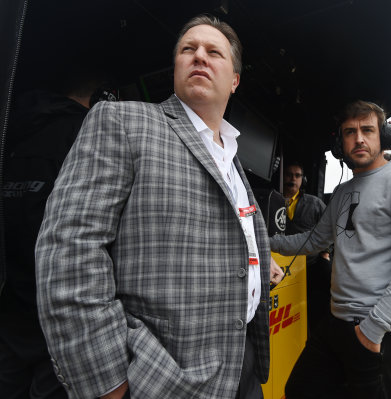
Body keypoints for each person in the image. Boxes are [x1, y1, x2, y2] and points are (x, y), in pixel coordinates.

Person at [35, 15, 283, 399]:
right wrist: (107, 383)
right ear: (176, 68)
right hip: (160, 378)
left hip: (244, 366)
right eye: (188, 49)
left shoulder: (233, 160)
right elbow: (69, 250)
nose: (199, 55)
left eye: (213, 52)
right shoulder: (123, 121)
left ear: (234, 80)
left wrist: (257, 258)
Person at [270, 100, 391, 399]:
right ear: (340, 144)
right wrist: (262, 241)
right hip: (337, 323)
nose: (359, 138)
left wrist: (372, 330)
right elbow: (313, 241)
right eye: (350, 132)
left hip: (383, 331)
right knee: (298, 390)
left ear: (382, 137)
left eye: (367, 130)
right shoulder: (343, 193)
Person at [0, 79, 104, 399]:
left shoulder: (15, 127)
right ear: (98, 96)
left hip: (10, 306)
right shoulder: (87, 133)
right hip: (60, 315)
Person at [282, 161, 331, 333]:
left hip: (311, 264)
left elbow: (330, 229)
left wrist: (325, 254)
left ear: (303, 179)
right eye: (289, 174)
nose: (292, 179)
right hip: (281, 268)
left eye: (297, 175)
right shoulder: (272, 200)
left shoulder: (315, 203)